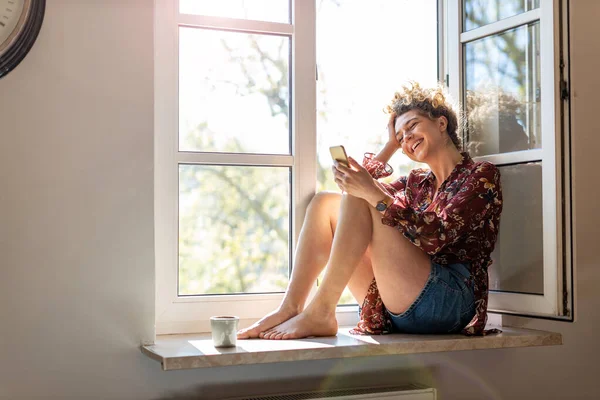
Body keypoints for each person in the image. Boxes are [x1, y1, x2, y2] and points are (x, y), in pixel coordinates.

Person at [237, 82, 503, 340]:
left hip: (449, 302)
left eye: (412, 126)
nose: (407, 138)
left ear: (441, 123)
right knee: (325, 203)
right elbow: (354, 197)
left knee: (364, 195)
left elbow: (437, 238)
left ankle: (320, 311)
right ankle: (291, 307)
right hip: (404, 299)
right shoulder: (416, 182)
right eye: (401, 137)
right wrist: (390, 147)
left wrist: (371, 191)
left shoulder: (480, 174)